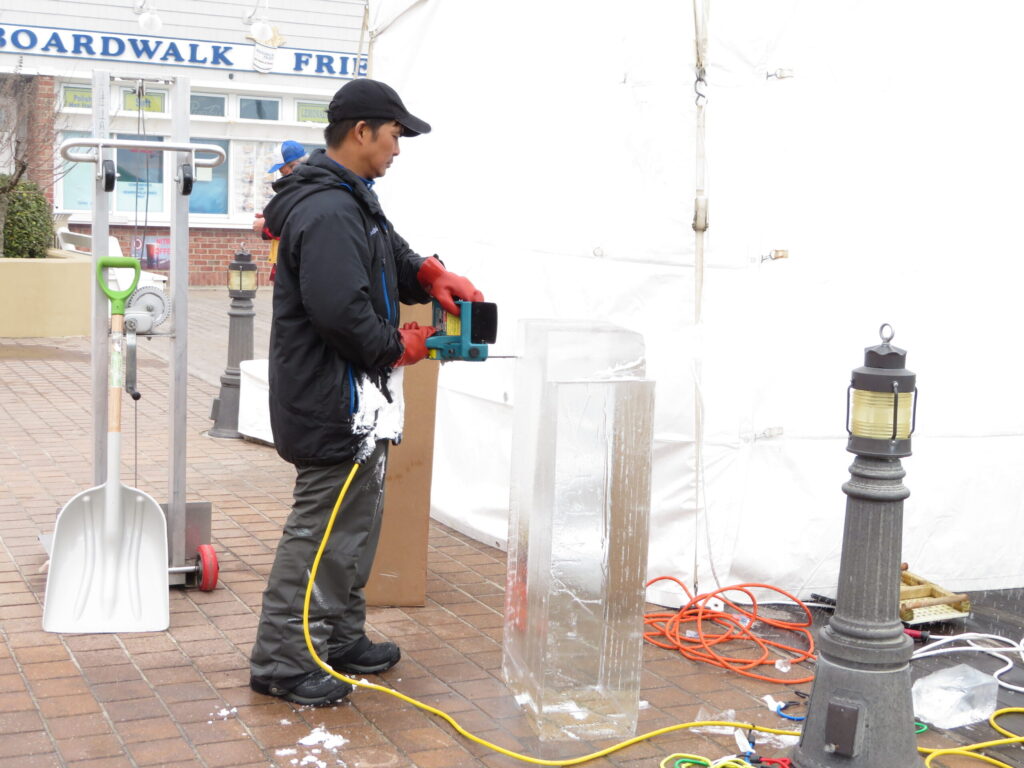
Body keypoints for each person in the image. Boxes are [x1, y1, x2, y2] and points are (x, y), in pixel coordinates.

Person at [248, 78, 484, 707]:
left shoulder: (352, 199)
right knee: (319, 531)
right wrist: (400, 345)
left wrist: (430, 274)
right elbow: (341, 314)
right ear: (361, 132)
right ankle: (282, 661)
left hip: (360, 401)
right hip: (331, 400)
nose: (397, 149)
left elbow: (388, 255)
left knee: (354, 526)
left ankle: (337, 635)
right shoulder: (327, 210)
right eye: (393, 136)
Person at [253, 140, 307, 282]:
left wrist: (266, 225)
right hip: (288, 259)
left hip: (292, 262)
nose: (281, 174)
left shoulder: (300, 188)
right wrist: (271, 217)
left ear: (294, 165)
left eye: (282, 170)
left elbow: (295, 223)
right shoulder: (304, 186)